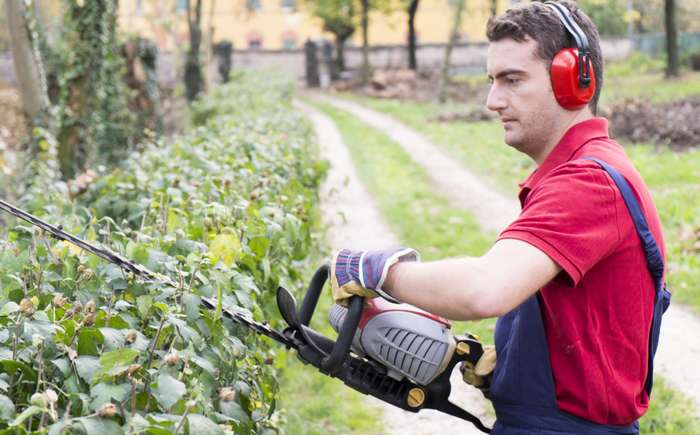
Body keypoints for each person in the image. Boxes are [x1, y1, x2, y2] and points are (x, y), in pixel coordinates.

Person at [329, 1, 671, 434]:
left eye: (513, 80)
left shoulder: (587, 184)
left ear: (574, 82)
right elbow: (583, 324)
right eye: (492, 81)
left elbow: (483, 290)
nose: (493, 101)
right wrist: (508, 368)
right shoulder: (583, 171)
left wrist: (382, 271)